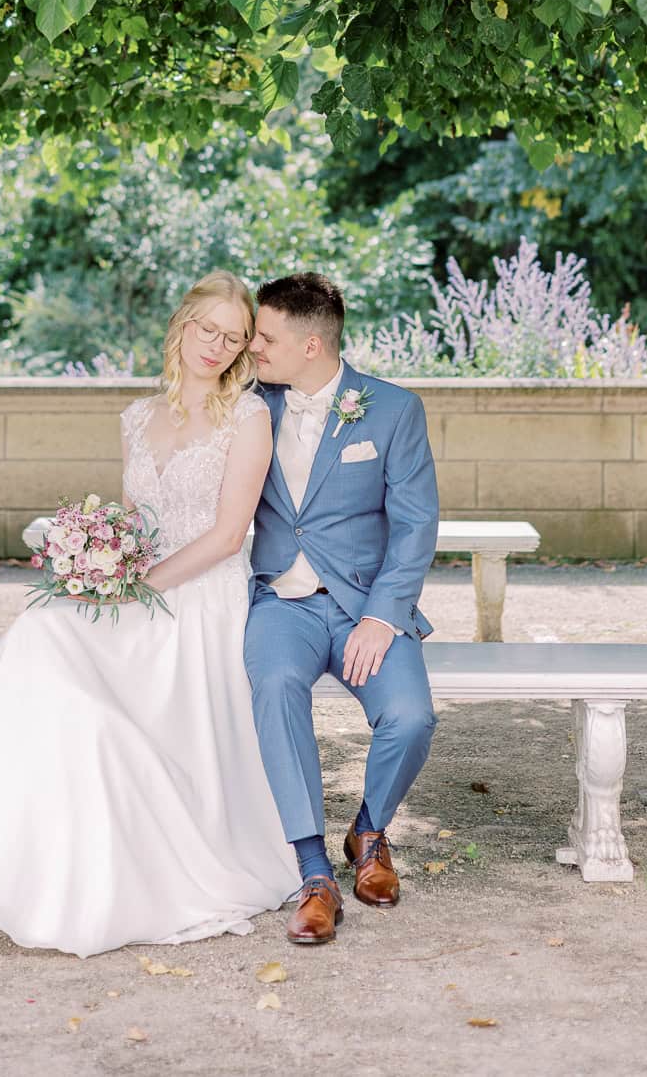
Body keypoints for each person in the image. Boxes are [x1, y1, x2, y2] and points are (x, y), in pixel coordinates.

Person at [0, 270, 298, 956]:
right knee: (45, 625)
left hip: (200, 601)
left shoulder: (248, 417)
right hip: (138, 589)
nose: (216, 344)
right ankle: (2, 827)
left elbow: (226, 533)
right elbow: (137, 518)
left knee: (71, 670)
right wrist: (99, 560)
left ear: (244, 349)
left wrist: (138, 584)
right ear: (183, 324)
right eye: (207, 327)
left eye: (233, 337)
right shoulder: (136, 416)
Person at [244, 272, 440, 946]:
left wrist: (383, 615)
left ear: (311, 343)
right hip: (282, 604)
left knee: (411, 716)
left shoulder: (392, 408)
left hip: (366, 604)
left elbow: (415, 524)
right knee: (273, 687)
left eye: (265, 335)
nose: (253, 345)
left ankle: (369, 829)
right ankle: (314, 872)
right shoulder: (247, 404)